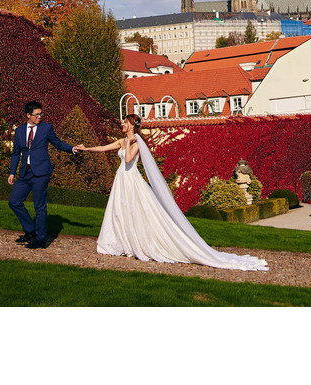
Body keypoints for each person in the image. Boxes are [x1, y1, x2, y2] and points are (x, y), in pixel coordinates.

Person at [75, 114, 268, 271]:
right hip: (121, 180)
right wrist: (86, 148)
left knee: (137, 211)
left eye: (124, 122)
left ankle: (141, 243)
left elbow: (127, 161)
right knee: (119, 211)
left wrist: (127, 144)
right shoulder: (124, 140)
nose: (122, 124)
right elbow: (103, 148)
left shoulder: (135, 143)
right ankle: (121, 243)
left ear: (132, 125)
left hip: (131, 180)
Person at [8, 100, 77, 249]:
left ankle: (40, 239)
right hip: (24, 174)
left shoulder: (46, 128)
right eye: (37, 115)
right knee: (14, 202)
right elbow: (15, 154)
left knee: (39, 207)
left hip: (41, 173)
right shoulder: (19, 131)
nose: (40, 117)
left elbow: (57, 143)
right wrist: (12, 172)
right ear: (28, 115)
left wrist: (72, 149)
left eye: (41, 114)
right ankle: (30, 231)